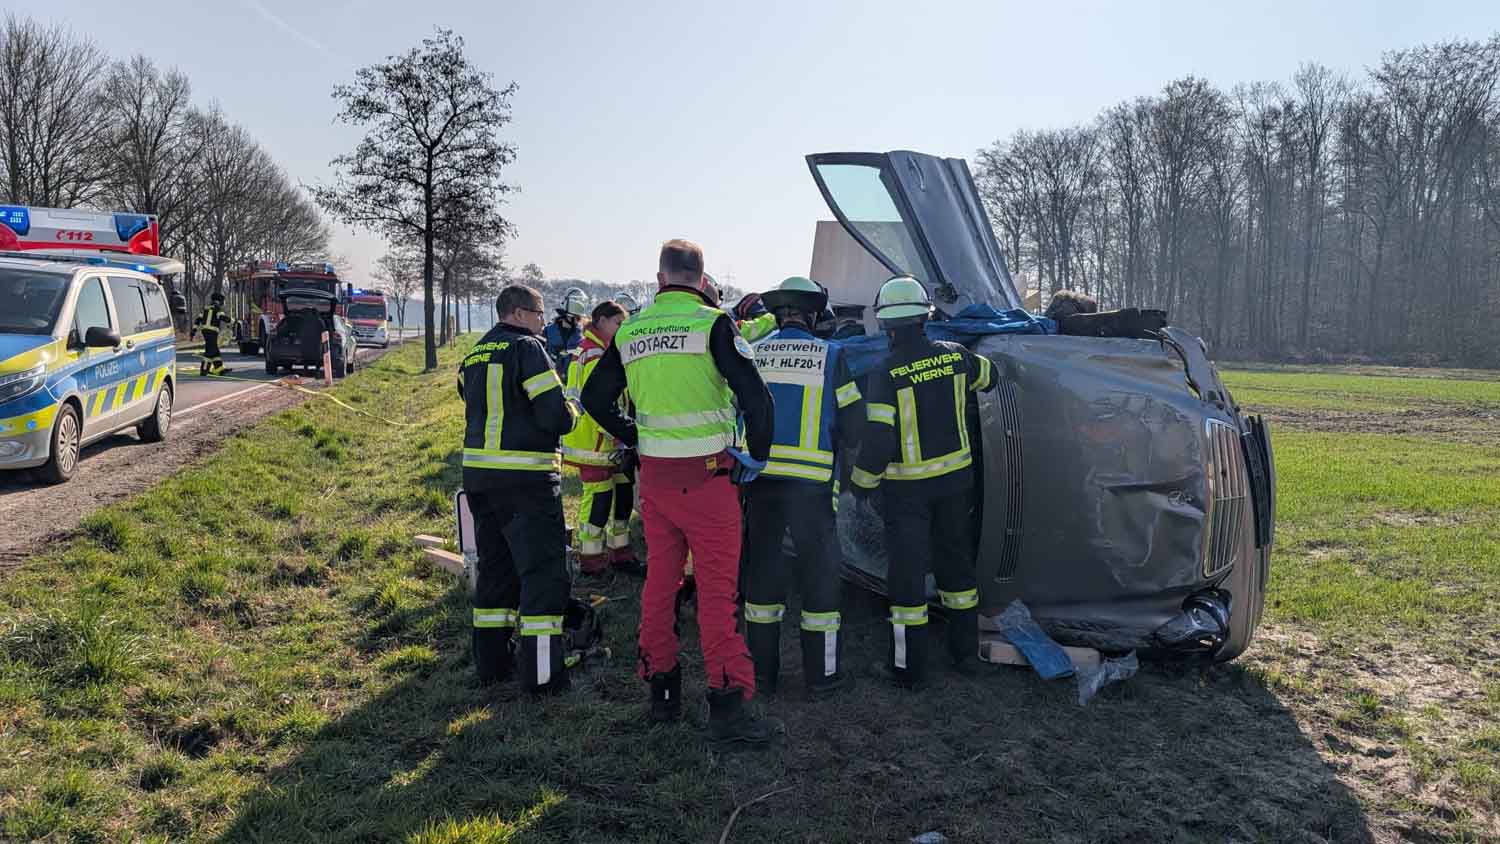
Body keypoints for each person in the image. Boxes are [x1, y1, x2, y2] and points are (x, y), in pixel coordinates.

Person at [582, 238, 780, 750]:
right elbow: (757, 400)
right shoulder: (712, 324)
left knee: (659, 587)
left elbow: (593, 397)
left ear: (660, 278)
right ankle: (727, 708)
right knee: (716, 596)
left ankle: (662, 694)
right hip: (710, 480)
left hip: (657, 480)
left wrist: (633, 436)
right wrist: (756, 456)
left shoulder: (632, 328)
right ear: (702, 278)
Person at [850, 276, 998, 688]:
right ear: (926, 316)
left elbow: (879, 441)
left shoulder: (885, 373)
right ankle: (965, 656)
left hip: (907, 493)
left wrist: (860, 485)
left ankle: (909, 669)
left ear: (886, 325)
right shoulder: (956, 356)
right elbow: (993, 377)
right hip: (955, 485)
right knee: (957, 568)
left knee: (908, 578)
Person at [741, 277, 863, 699]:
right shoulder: (833, 355)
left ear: (778, 314)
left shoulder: (754, 353)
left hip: (760, 483)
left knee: (763, 580)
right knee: (820, 580)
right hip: (811, 489)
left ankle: (760, 677)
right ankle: (822, 678)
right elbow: (854, 423)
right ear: (814, 315)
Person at [458, 284, 579, 693]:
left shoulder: (474, 353)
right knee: (542, 575)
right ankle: (544, 677)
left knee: (495, 571)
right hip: (526, 479)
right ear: (518, 313)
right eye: (539, 313)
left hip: (478, 477)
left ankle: (492, 667)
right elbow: (553, 416)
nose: (544, 322)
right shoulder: (529, 349)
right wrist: (572, 412)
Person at [562, 300, 639, 576]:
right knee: (599, 499)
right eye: (618, 323)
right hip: (595, 442)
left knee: (622, 493)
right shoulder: (594, 353)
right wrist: (622, 434)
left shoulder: (600, 350)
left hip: (610, 441)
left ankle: (620, 552)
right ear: (601, 320)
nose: (621, 328)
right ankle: (591, 561)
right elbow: (598, 404)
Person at [545, 287, 588, 376]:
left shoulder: (582, 336)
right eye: (575, 318)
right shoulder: (547, 332)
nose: (578, 322)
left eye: (578, 318)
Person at [192, 292, 232, 375]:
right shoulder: (217, 308)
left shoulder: (206, 308)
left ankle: (219, 369)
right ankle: (204, 370)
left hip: (205, 332)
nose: (223, 303)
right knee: (210, 351)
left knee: (215, 351)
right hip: (212, 332)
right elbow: (221, 317)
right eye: (222, 301)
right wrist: (232, 321)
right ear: (219, 301)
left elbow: (198, 320)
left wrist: (193, 331)